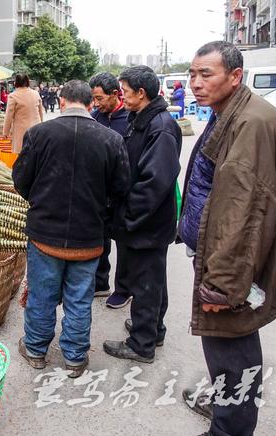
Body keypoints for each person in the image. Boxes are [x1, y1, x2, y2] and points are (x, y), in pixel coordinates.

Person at [178, 41, 276, 436]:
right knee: (232, 346)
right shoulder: (231, 112)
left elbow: (242, 213)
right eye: (192, 73)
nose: (195, 83)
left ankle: (228, 431)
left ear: (235, 76)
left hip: (232, 265)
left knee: (231, 343)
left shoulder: (250, 123)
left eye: (205, 74)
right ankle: (225, 407)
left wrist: (222, 286)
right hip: (224, 255)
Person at [13, 80, 130, 379]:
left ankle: (36, 350)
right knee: (79, 298)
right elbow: (121, 188)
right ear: (90, 104)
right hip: (89, 237)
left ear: (62, 102)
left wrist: (41, 202)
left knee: (41, 294)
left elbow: (21, 180)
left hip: (44, 235)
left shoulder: (39, 134)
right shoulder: (112, 139)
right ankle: (75, 358)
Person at [103, 65, 182, 364]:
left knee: (145, 282)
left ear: (141, 93)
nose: (122, 96)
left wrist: (129, 216)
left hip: (147, 221)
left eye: (125, 91)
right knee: (152, 279)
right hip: (144, 219)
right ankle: (152, 329)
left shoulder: (160, 126)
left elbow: (154, 181)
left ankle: (141, 343)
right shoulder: (142, 119)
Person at [88, 72, 131, 308]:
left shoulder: (130, 119)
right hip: (100, 192)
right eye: (94, 99)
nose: (96, 104)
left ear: (115, 94)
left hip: (123, 190)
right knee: (101, 238)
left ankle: (124, 289)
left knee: (123, 241)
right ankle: (100, 282)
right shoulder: (95, 117)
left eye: (100, 98)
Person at [2, 73, 44, 154]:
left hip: (21, 133)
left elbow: (8, 116)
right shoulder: (36, 93)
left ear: (15, 82)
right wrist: (41, 124)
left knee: (22, 156)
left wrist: (5, 133)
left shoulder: (13, 96)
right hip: (37, 130)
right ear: (28, 82)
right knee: (35, 154)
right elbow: (40, 112)